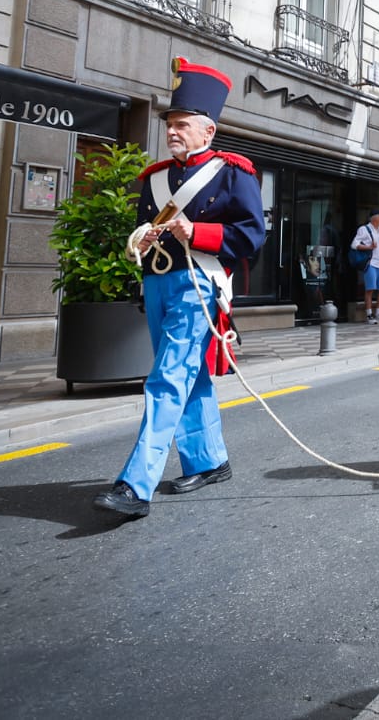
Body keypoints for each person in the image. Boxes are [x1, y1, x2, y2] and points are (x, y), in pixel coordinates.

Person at [94, 58, 266, 519]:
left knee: (167, 379)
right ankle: (209, 460)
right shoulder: (153, 178)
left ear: (207, 131)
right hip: (157, 282)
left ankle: (136, 484)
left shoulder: (233, 173)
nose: (172, 131)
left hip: (198, 285)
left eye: (182, 124)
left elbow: (253, 235)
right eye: (170, 124)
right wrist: (144, 237)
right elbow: (139, 229)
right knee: (185, 377)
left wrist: (202, 234)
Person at [351, 210, 379, 323]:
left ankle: (378, 313)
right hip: (371, 263)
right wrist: (369, 247)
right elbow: (354, 244)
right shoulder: (364, 229)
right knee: (370, 289)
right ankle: (369, 315)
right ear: (374, 218)